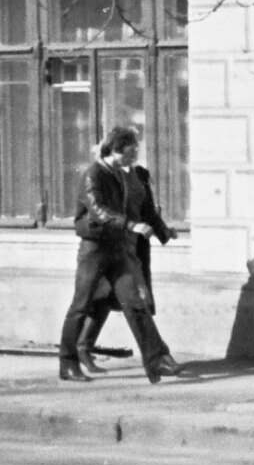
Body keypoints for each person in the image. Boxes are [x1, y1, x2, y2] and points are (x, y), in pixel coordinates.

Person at [58, 124, 181, 384]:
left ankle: (156, 359)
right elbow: (98, 212)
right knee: (81, 306)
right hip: (94, 250)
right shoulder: (93, 175)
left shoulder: (118, 175)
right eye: (130, 152)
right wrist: (131, 225)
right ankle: (68, 363)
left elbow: (142, 208)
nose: (134, 157)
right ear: (115, 150)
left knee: (135, 303)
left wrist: (160, 230)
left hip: (117, 248)